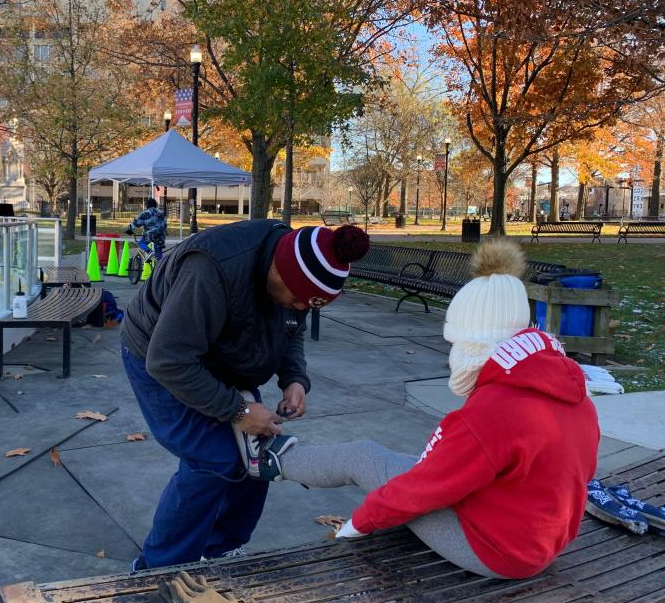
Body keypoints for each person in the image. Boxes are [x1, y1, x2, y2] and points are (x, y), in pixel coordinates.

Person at [249, 240, 600, 579]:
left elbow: (424, 489)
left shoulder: (496, 411)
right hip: (542, 539)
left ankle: (269, 459)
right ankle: (280, 458)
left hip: (498, 550)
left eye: (457, 343)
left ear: (474, 343)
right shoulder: (573, 391)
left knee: (363, 457)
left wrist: (359, 523)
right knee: (407, 463)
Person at [121, 221, 370, 571]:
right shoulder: (209, 269)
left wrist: (294, 378)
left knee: (256, 454)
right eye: (298, 299)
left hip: (220, 356)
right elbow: (169, 361)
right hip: (158, 356)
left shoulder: (291, 275)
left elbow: (291, 329)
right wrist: (238, 410)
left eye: (308, 306)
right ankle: (158, 569)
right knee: (213, 458)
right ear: (278, 270)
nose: (300, 308)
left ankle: (219, 548)